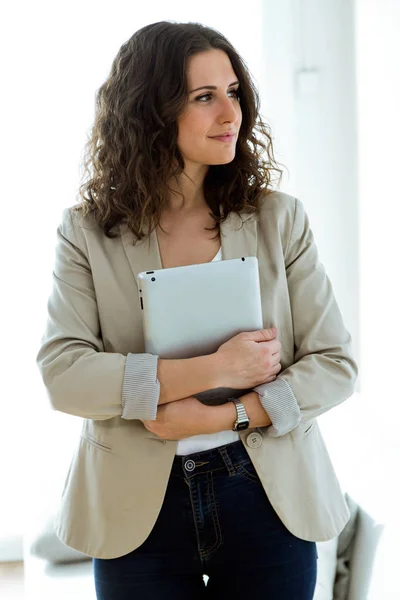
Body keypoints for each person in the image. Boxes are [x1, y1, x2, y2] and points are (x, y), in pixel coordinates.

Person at [36, 20, 358, 600]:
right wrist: (215, 370)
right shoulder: (87, 232)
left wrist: (219, 416)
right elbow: (64, 375)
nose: (229, 113)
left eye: (233, 92)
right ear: (152, 112)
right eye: (204, 98)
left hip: (269, 497)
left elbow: (335, 364)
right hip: (136, 508)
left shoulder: (278, 219)